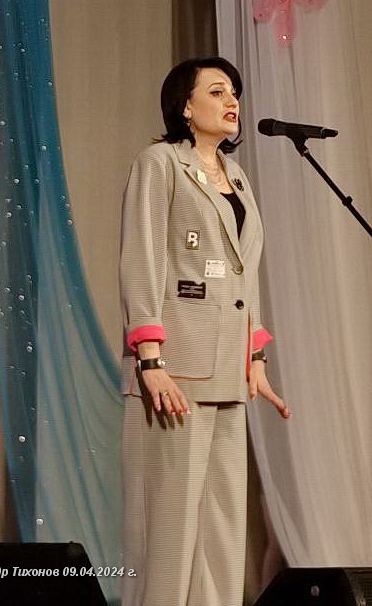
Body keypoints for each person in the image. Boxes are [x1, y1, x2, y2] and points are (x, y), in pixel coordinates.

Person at [119, 57, 290, 606]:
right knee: (171, 527)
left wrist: (255, 358)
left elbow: (244, 271)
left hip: (227, 372)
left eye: (234, 91)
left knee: (222, 525)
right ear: (186, 107)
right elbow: (143, 259)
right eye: (216, 91)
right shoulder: (160, 163)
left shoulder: (236, 176)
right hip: (176, 370)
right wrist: (150, 360)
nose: (231, 100)